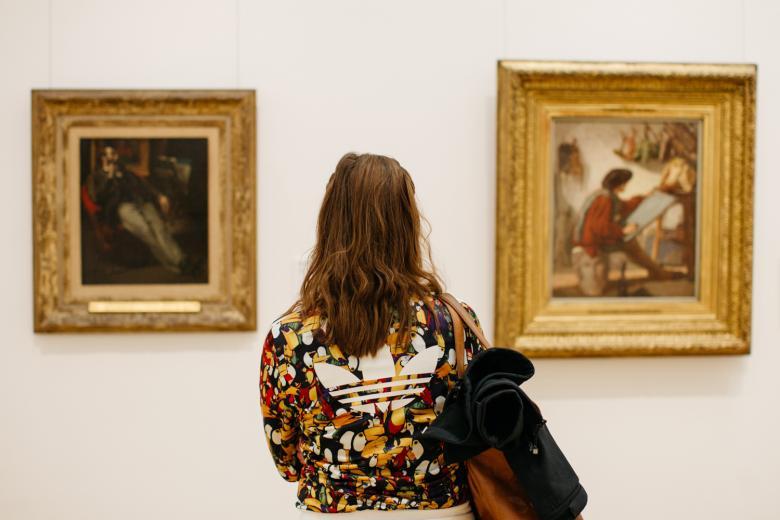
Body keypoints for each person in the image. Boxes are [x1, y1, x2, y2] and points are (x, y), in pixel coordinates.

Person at [260, 153, 486, 519]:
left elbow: (287, 463)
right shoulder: (454, 323)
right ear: (407, 224)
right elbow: (478, 435)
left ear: (331, 224)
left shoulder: (290, 337)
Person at [572, 168, 676, 295]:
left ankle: (657, 272)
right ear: (619, 184)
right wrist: (623, 231)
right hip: (592, 242)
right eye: (625, 183)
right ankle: (659, 273)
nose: (625, 185)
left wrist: (645, 197)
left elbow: (625, 206)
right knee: (630, 244)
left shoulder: (604, 195)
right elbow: (600, 227)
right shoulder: (605, 199)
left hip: (593, 238)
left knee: (631, 244)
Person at [85, 145, 185, 273]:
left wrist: (159, 195)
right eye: (107, 155)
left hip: (142, 202)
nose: (111, 158)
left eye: (113, 154)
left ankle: (181, 261)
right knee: (147, 232)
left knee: (160, 230)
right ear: (101, 158)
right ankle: (173, 264)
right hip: (122, 207)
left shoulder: (124, 171)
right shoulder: (95, 177)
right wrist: (108, 176)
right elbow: (97, 197)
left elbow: (142, 183)